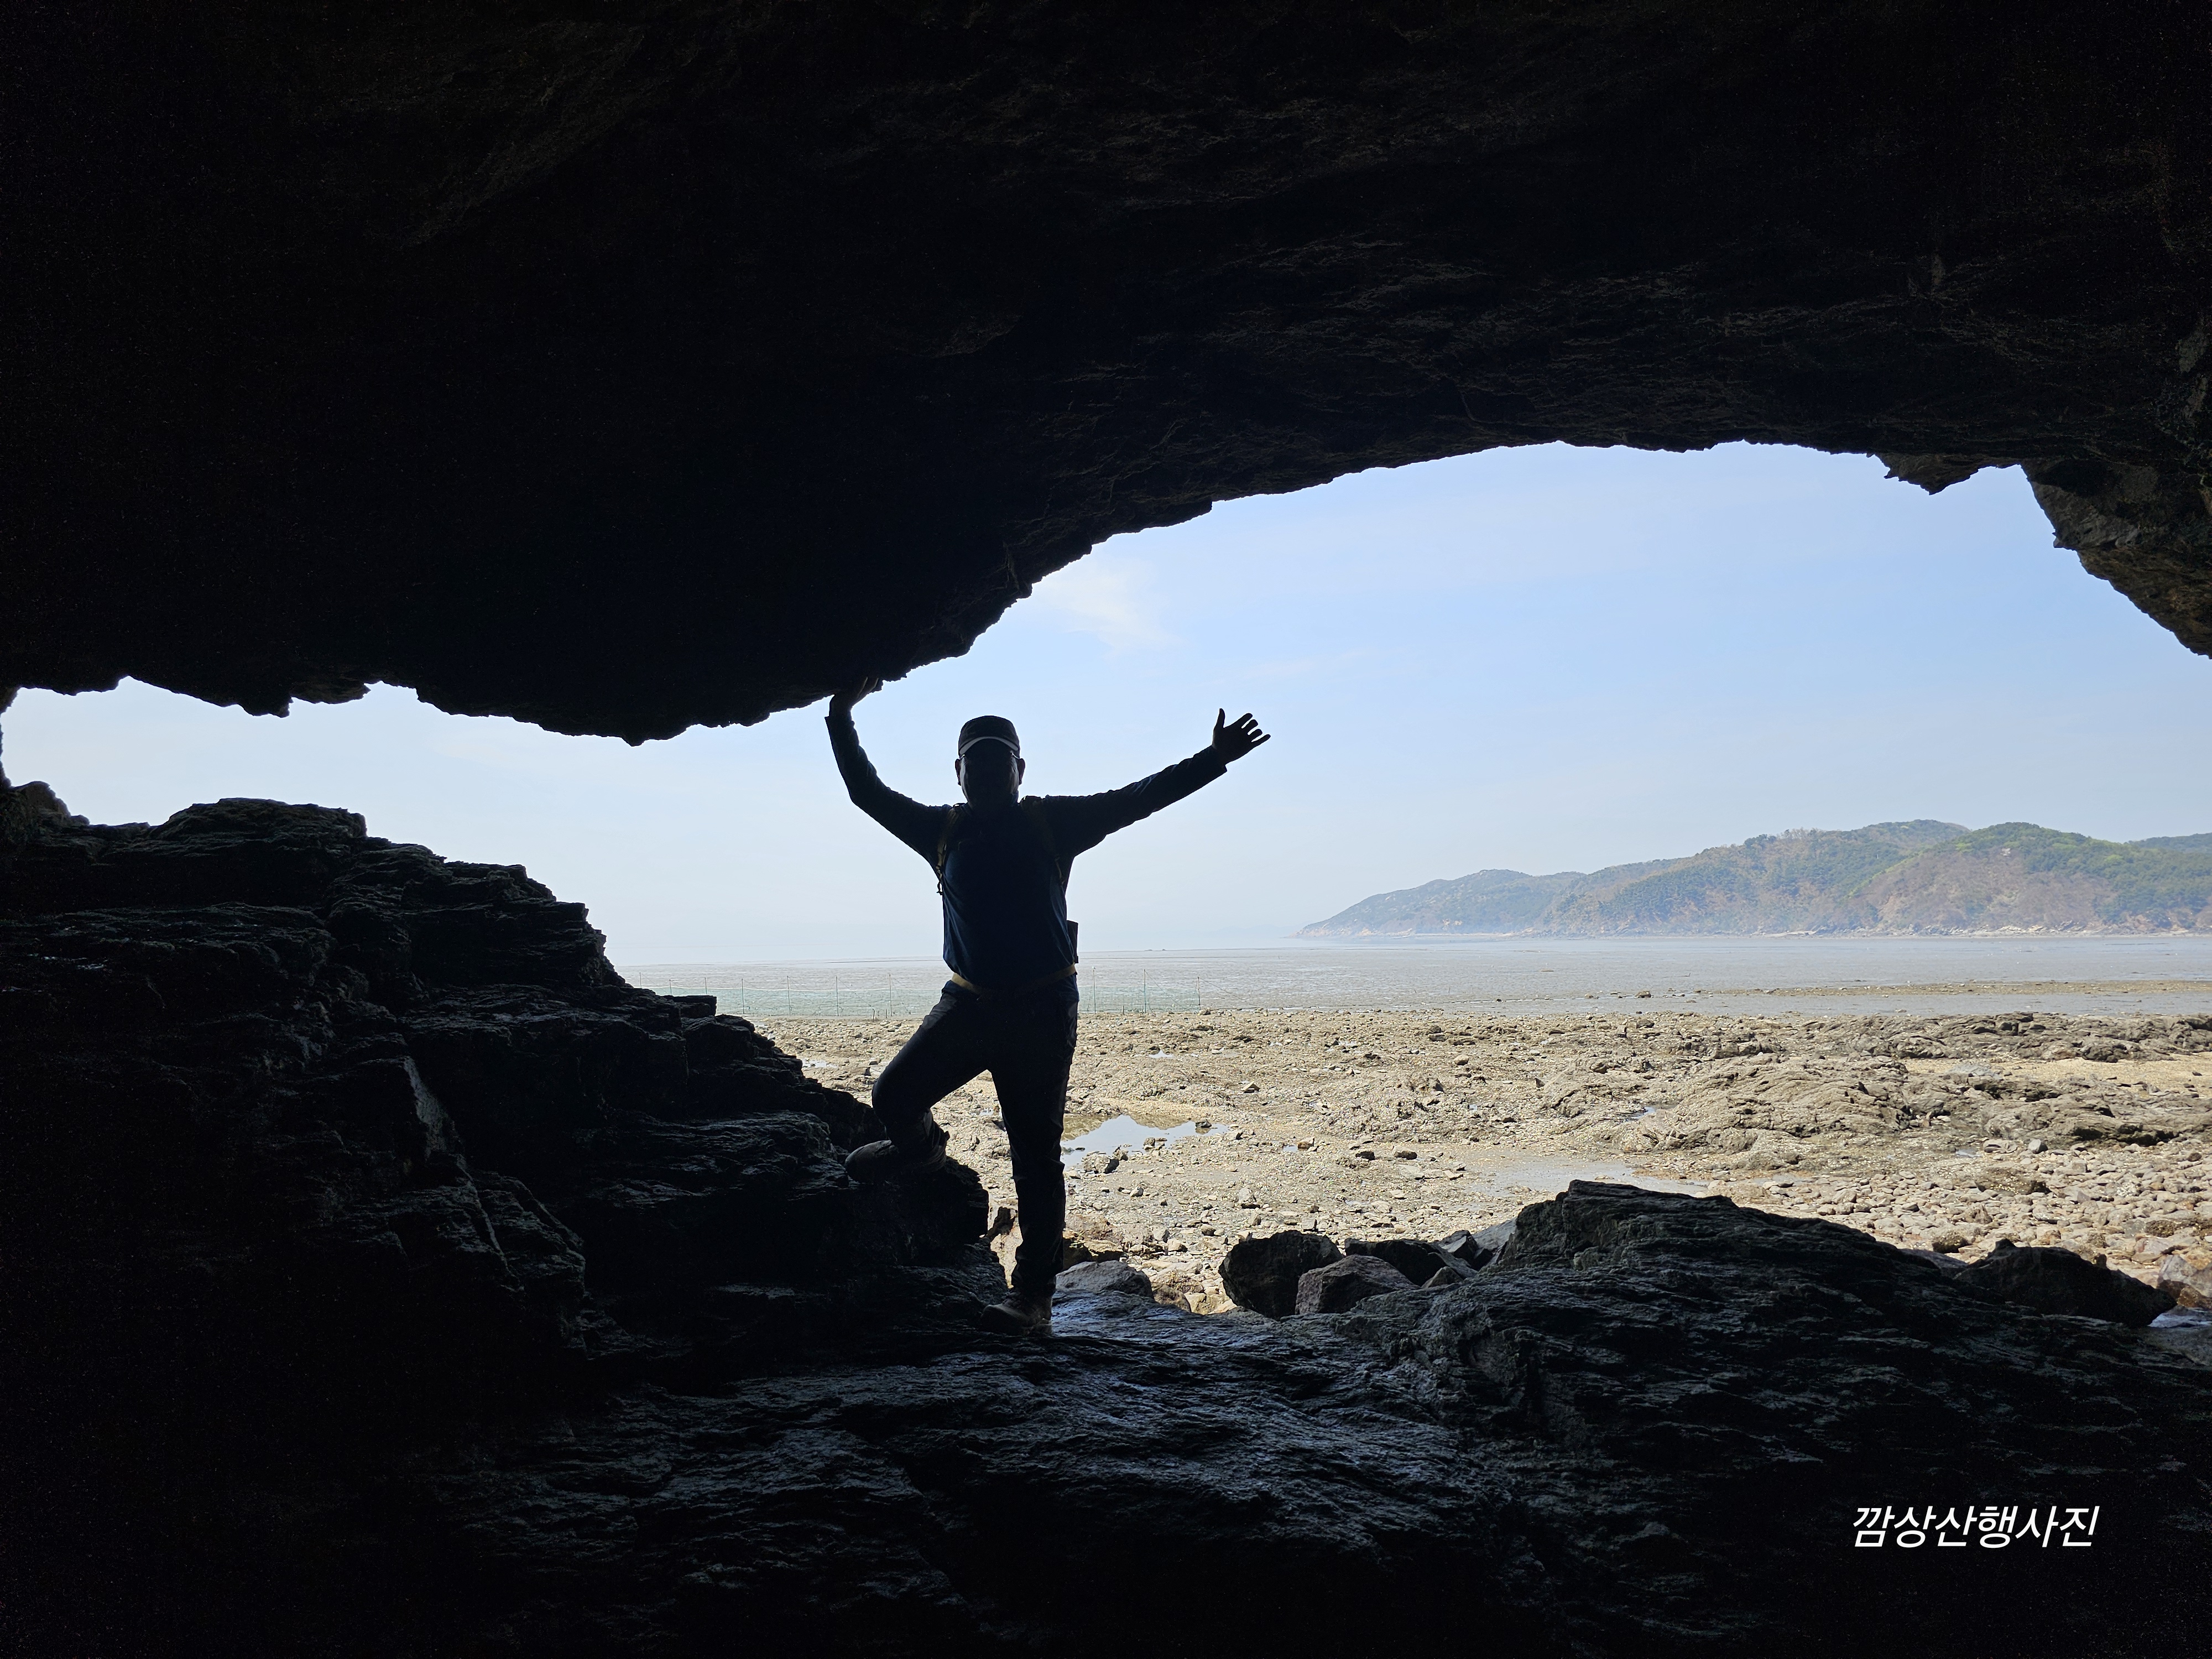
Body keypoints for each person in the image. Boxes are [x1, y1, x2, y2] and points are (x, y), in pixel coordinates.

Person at [826, 677, 1270, 1335]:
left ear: (1020, 769)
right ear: (957, 772)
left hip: (1042, 1011)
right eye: (974, 762)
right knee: (893, 1095)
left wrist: (1213, 758)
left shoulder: (1052, 821)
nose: (986, 771)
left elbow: (1139, 798)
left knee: (1034, 1157)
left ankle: (1032, 1299)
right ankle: (921, 1150)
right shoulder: (939, 829)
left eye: (997, 760)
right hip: (967, 1004)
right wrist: (840, 716)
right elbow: (866, 792)